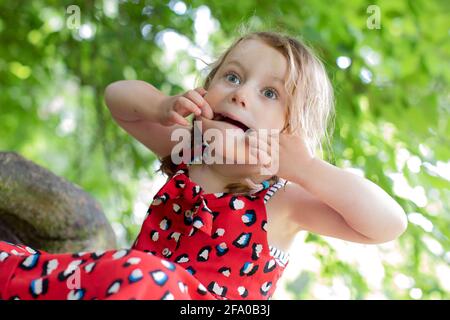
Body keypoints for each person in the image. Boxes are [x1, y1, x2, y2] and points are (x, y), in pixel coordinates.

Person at [0, 31, 407, 300]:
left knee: (142, 274)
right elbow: (118, 99)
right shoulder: (188, 151)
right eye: (231, 77)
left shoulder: (284, 199)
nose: (241, 94)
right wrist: (162, 106)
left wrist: (304, 168)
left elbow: (388, 224)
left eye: (269, 93)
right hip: (133, 286)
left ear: (292, 129)